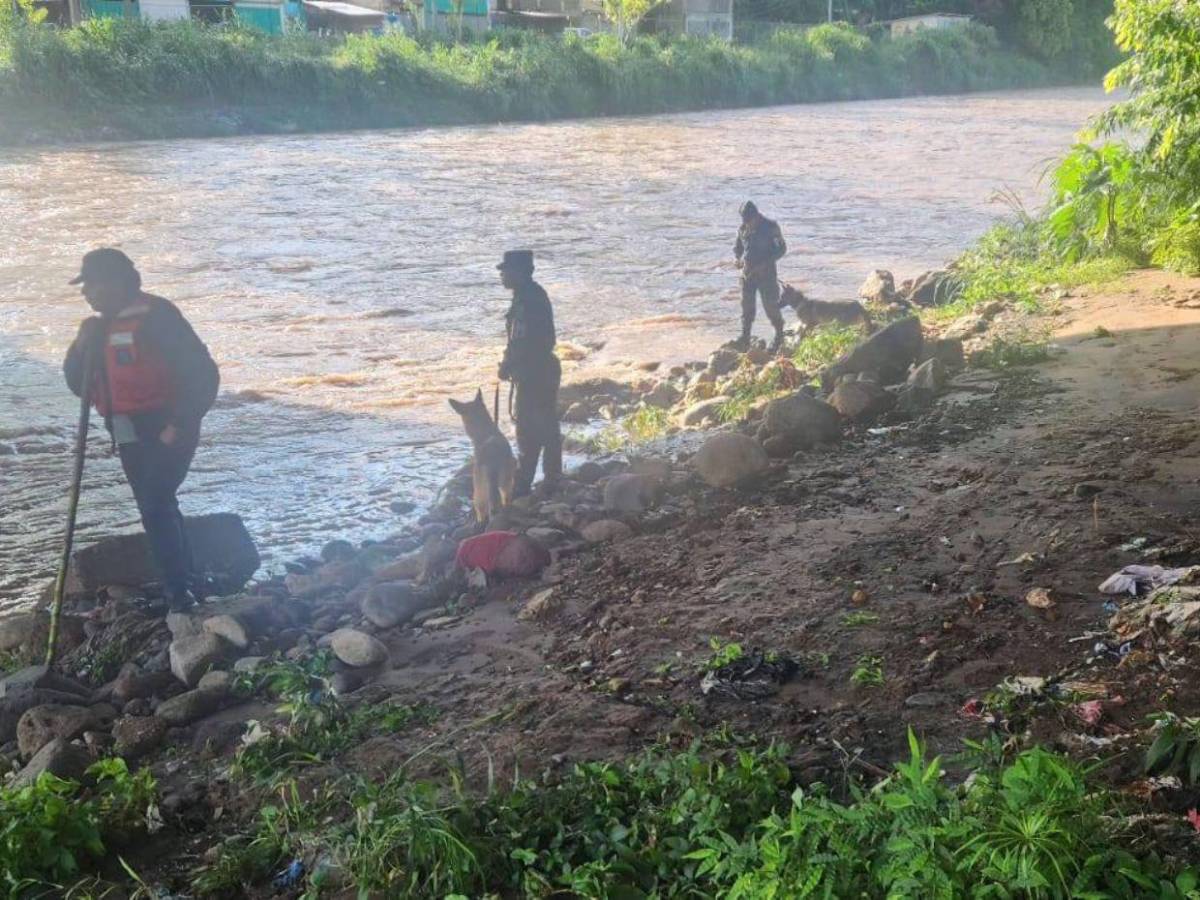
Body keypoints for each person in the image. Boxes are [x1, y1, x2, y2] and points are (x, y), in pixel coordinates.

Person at [63, 249, 220, 611]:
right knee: (157, 504)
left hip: (169, 424)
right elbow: (79, 385)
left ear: (115, 283)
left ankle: (178, 593)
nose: (86, 293)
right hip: (125, 429)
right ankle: (183, 580)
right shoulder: (96, 329)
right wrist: (80, 348)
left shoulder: (159, 316)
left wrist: (179, 423)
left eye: (91, 285)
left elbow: (202, 374)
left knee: (155, 503)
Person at [497, 249, 562, 497]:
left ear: (520, 273)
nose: (502, 276)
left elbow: (520, 341)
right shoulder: (531, 295)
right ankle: (550, 478)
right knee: (544, 425)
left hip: (534, 372)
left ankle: (526, 484)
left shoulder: (526, 300)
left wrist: (506, 366)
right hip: (541, 369)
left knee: (530, 428)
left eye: (506, 271)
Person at [733, 200, 788, 353]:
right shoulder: (742, 228)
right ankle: (745, 337)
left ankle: (779, 336)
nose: (748, 224)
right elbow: (738, 248)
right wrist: (737, 259)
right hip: (748, 274)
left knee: (771, 306)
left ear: (756, 216)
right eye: (745, 221)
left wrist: (766, 263)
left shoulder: (771, 227)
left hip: (766, 274)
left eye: (750, 220)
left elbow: (782, 248)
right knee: (746, 308)